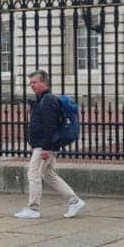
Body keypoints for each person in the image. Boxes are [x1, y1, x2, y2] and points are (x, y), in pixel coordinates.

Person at [14, 70, 85, 220]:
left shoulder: (48, 100)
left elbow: (50, 126)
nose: (32, 85)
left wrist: (46, 148)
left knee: (33, 173)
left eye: (35, 82)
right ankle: (74, 201)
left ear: (44, 82)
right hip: (44, 145)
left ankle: (33, 208)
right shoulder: (43, 100)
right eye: (31, 83)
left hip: (44, 145)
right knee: (49, 174)